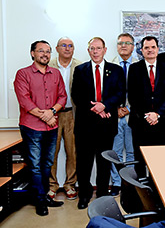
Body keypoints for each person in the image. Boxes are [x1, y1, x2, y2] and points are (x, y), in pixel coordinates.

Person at [14, 40, 67, 216]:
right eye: (41, 51)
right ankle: (39, 201)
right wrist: (46, 116)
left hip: (52, 126)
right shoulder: (22, 74)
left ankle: (44, 197)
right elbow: (24, 100)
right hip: (32, 127)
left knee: (47, 164)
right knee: (35, 166)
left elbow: (62, 97)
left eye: (48, 51)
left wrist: (51, 112)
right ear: (32, 53)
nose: (45, 54)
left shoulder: (56, 74)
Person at [71, 37, 126, 209]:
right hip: (85, 125)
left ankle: (102, 194)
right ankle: (84, 195)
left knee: (104, 162)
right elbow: (76, 95)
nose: (95, 51)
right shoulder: (80, 70)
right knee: (84, 163)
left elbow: (120, 94)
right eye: (92, 48)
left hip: (106, 125)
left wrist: (105, 105)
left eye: (98, 48)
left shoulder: (116, 70)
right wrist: (97, 108)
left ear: (105, 50)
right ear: (88, 51)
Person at [128, 36, 165, 178]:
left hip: (160, 122)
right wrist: (147, 115)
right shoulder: (134, 68)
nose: (150, 50)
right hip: (140, 122)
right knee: (140, 160)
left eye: (153, 47)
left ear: (158, 49)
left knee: (159, 160)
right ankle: (142, 193)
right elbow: (132, 96)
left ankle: (156, 191)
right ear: (141, 50)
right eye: (146, 48)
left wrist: (157, 114)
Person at [48, 37, 82, 201]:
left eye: (71, 46)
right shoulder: (49, 65)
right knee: (51, 152)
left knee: (72, 152)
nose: (67, 48)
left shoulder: (80, 65)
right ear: (57, 48)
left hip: (72, 114)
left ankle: (70, 185)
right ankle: (52, 186)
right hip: (52, 115)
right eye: (64, 45)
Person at [109, 33, 138, 197]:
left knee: (132, 151)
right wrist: (116, 109)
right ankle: (117, 183)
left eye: (127, 43)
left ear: (133, 46)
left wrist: (129, 108)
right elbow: (105, 92)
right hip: (115, 114)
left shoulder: (139, 64)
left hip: (132, 114)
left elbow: (142, 92)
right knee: (116, 152)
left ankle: (131, 183)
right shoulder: (110, 64)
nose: (124, 46)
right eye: (120, 43)